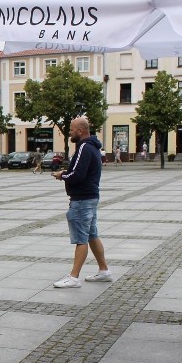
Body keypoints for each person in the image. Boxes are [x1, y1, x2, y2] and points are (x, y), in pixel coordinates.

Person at [51, 117, 112, 288]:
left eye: (71, 130)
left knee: (81, 238)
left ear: (80, 131)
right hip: (91, 197)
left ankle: (74, 277)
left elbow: (77, 175)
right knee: (92, 234)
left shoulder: (84, 147)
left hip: (82, 199)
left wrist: (61, 175)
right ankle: (104, 270)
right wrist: (67, 171)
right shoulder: (93, 148)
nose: (69, 132)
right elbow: (80, 170)